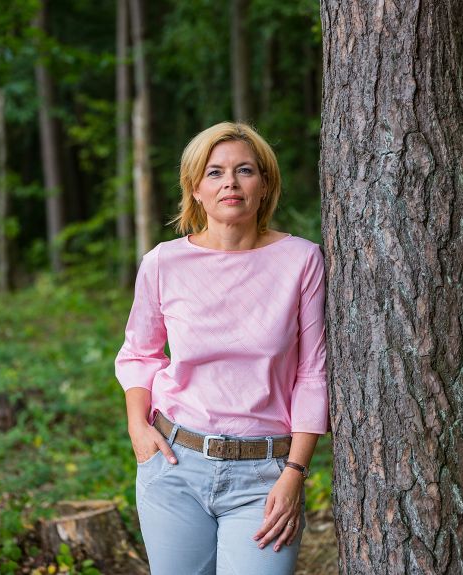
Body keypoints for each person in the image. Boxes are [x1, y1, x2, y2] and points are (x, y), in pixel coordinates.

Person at [114, 122, 329, 575]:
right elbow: (139, 353)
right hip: (174, 464)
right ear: (195, 188)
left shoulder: (301, 261)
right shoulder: (163, 263)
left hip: (266, 473)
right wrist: (138, 426)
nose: (230, 182)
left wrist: (295, 473)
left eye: (244, 170)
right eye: (214, 172)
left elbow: (313, 373)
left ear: (264, 184)